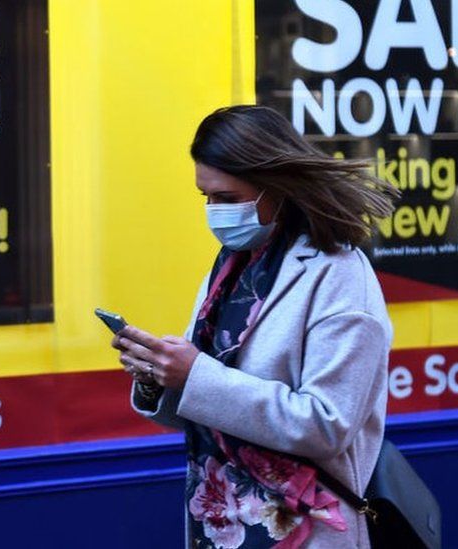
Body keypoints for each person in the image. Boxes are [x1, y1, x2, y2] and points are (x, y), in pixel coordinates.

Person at [111, 105, 399, 548]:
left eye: (227, 198)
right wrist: (157, 378)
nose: (214, 212)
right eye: (205, 197)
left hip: (304, 532)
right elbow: (210, 408)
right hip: (222, 525)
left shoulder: (338, 274)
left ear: (276, 189)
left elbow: (327, 425)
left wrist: (194, 375)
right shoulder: (233, 266)